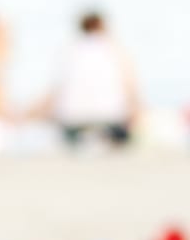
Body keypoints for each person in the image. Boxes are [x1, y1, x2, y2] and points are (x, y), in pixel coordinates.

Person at [36, 11, 141, 148]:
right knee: (124, 137)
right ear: (104, 27)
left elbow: (56, 90)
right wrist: (135, 113)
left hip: (73, 119)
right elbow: (130, 86)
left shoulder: (68, 50)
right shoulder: (114, 48)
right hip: (110, 117)